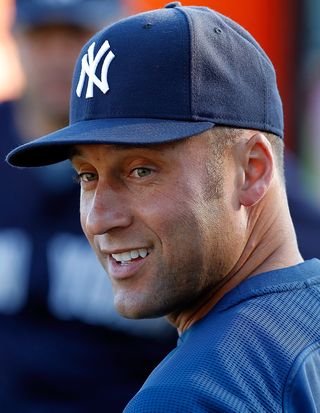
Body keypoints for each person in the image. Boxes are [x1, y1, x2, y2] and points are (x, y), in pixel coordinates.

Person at [6, 2, 320, 412]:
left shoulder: (185, 395)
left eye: (141, 170)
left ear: (251, 171)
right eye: (86, 175)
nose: (98, 218)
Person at [0, 1, 176, 412]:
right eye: (42, 37)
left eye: (76, 36)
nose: (60, 57)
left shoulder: (170, 142)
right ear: (16, 40)